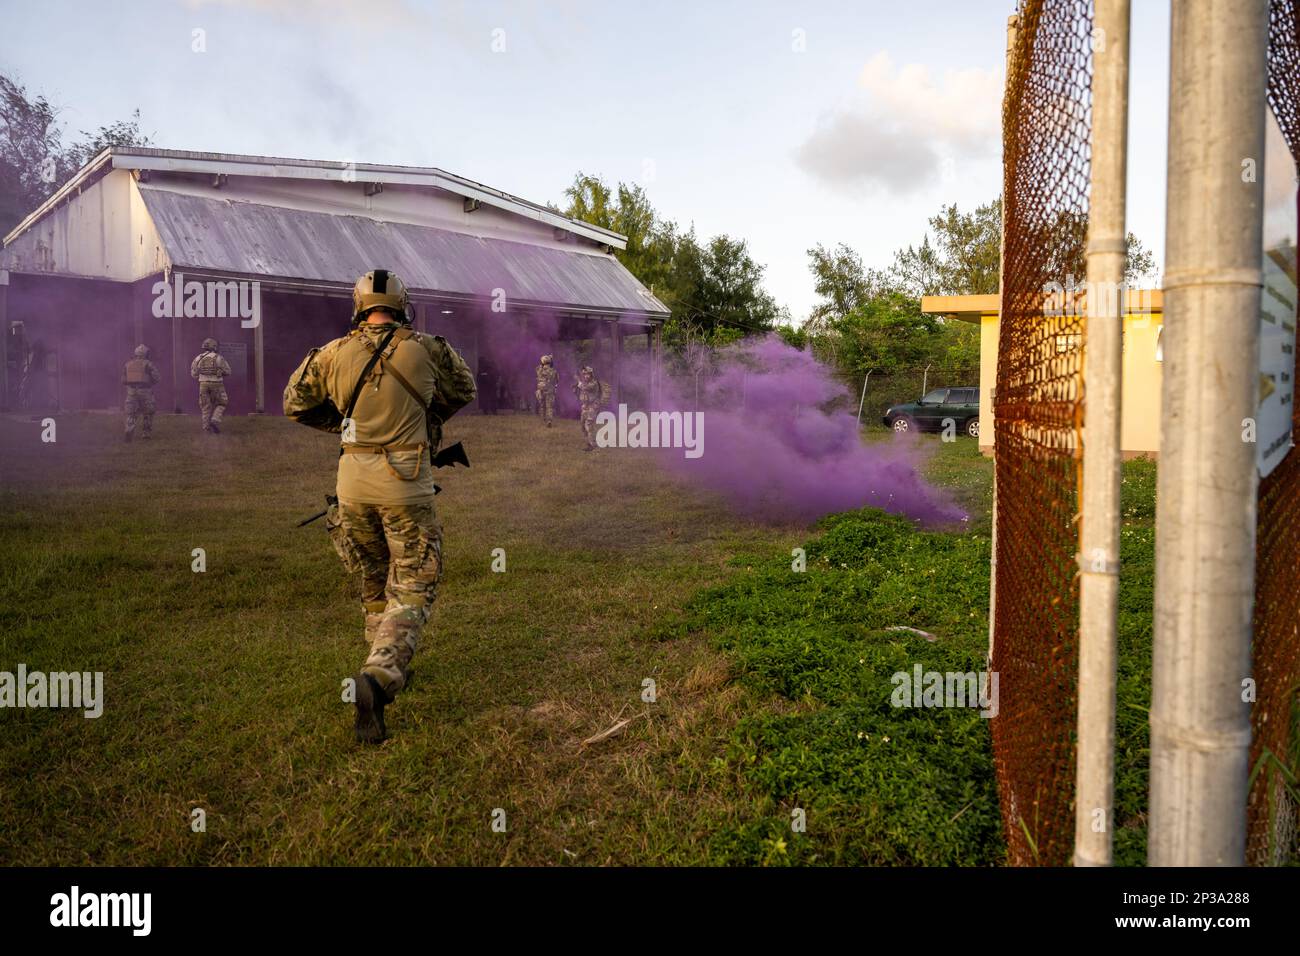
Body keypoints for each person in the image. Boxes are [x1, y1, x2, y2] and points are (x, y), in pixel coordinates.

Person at [283, 269, 476, 744]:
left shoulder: (331, 353)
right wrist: (421, 418)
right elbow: (463, 389)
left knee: (372, 579)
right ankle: (380, 675)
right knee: (413, 582)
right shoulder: (428, 348)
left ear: (359, 305)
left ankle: (384, 659)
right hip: (406, 486)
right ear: (402, 303)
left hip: (352, 487)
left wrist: (347, 428)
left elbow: (295, 403)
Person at [191, 337, 232, 433]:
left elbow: (194, 374)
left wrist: (203, 377)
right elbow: (228, 371)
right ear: (214, 347)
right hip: (217, 384)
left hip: (203, 385)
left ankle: (206, 429)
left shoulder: (197, 358)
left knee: (205, 407)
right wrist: (220, 373)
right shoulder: (219, 358)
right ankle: (215, 420)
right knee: (222, 403)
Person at [122, 344, 160, 441]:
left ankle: (129, 430)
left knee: (131, 413)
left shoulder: (128, 364)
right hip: (145, 391)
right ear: (145, 353)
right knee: (148, 412)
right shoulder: (148, 364)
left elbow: (123, 380)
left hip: (131, 391)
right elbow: (157, 378)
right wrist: (150, 383)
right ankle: (146, 434)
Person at [573, 364, 601, 451]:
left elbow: (585, 388)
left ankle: (594, 447)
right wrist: (575, 390)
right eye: (584, 374)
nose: (586, 376)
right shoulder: (585, 383)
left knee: (589, 426)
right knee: (582, 427)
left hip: (592, 407)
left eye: (588, 374)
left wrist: (578, 381)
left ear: (591, 375)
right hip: (585, 407)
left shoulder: (594, 383)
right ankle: (589, 444)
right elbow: (581, 394)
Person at [535, 354, 557, 426]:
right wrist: (551, 359)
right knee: (549, 406)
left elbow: (539, 367)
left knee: (542, 406)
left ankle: (543, 419)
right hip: (549, 390)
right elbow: (556, 380)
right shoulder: (553, 371)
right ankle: (549, 421)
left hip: (541, 390)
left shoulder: (539, 369)